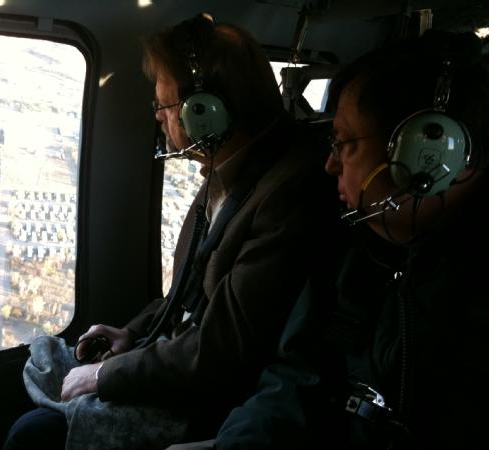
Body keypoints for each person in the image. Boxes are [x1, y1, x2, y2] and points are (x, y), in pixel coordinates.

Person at [3, 13, 342, 450]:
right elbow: (184, 295)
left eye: (164, 105)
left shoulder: (288, 195)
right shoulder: (225, 172)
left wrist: (107, 375)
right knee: (43, 371)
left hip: (216, 400)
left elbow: (223, 351)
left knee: (33, 436)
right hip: (185, 366)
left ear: (205, 112)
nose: (159, 117)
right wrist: (132, 335)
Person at [208, 29, 489, 450]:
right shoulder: (356, 246)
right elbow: (294, 381)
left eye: (345, 144)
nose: (329, 165)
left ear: (429, 152)